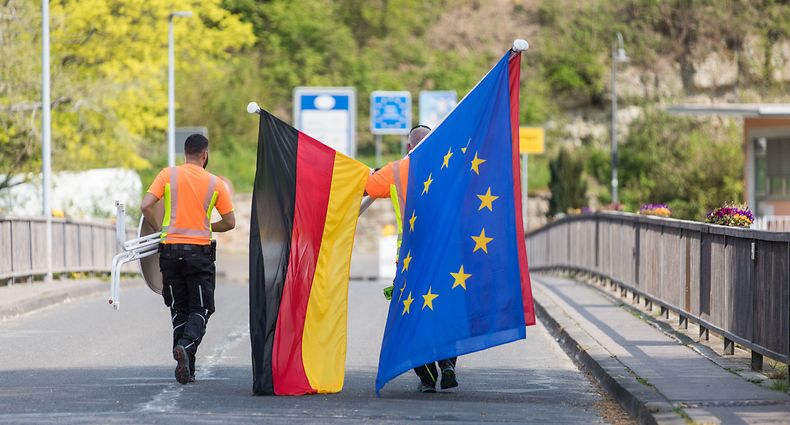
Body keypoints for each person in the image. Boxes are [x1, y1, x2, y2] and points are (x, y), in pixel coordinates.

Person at [366, 125, 459, 393]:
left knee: (412, 314)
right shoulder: (450, 166)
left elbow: (366, 186)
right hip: (445, 256)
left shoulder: (395, 171)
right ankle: (448, 364)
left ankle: (428, 377)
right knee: (443, 310)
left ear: (409, 148)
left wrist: (372, 173)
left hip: (410, 259)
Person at [141, 134, 236, 385]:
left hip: (169, 251)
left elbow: (145, 205)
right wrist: (207, 225)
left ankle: (187, 368)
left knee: (179, 308)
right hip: (198, 253)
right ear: (205, 155)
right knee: (202, 308)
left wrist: (160, 229)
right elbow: (230, 222)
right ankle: (185, 345)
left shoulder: (167, 175)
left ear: (185, 154)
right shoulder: (215, 183)